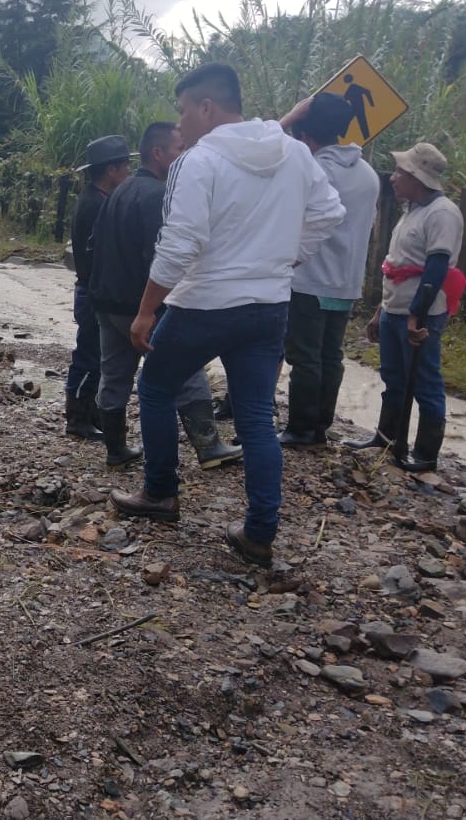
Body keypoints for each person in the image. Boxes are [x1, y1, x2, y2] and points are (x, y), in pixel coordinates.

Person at [109, 64, 344, 568]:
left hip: (205, 305)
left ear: (205, 107)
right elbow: (329, 213)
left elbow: (179, 244)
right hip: (267, 307)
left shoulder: (198, 162)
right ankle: (259, 531)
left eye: (182, 112)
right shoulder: (294, 153)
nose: (180, 125)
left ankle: (161, 493)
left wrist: (146, 311)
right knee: (257, 416)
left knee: (155, 387)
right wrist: (287, 259)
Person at [90, 123, 242, 470]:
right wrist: (157, 306)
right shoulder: (159, 196)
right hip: (141, 305)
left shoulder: (117, 191)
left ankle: (115, 448)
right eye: (178, 149)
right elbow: (161, 256)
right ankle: (208, 445)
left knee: (114, 375)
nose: (184, 156)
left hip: (108, 303)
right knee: (187, 369)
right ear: (158, 154)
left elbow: (96, 246)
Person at [346, 143, 466, 473]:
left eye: (400, 172)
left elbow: (436, 267)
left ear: (416, 177)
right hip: (394, 310)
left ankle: (426, 453)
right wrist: (380, 311)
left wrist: (418, 313)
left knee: (425, 380)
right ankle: (387, 437)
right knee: (394, 377)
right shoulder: (411, 209)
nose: (394, 177)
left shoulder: (441, 213)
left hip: (420, 311)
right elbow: (396, 265)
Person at [277, 94, 381, 447]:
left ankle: (301, 429)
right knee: (330, 355)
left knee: (304, 357)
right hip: (346, 282)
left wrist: (287, 118)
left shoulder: (313, 170)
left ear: (305, 136)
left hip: (309, 279)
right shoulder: (367, 174)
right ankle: (320, 425)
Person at [64, 135, 132, 441]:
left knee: (96, 356)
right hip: (93, 291)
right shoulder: (96, 205)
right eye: (125, 167)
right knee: (89, 356)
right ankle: (77, 416)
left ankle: (89, 413)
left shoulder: (95, 199)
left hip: (91, 289)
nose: (128, 173)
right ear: (111, 170)